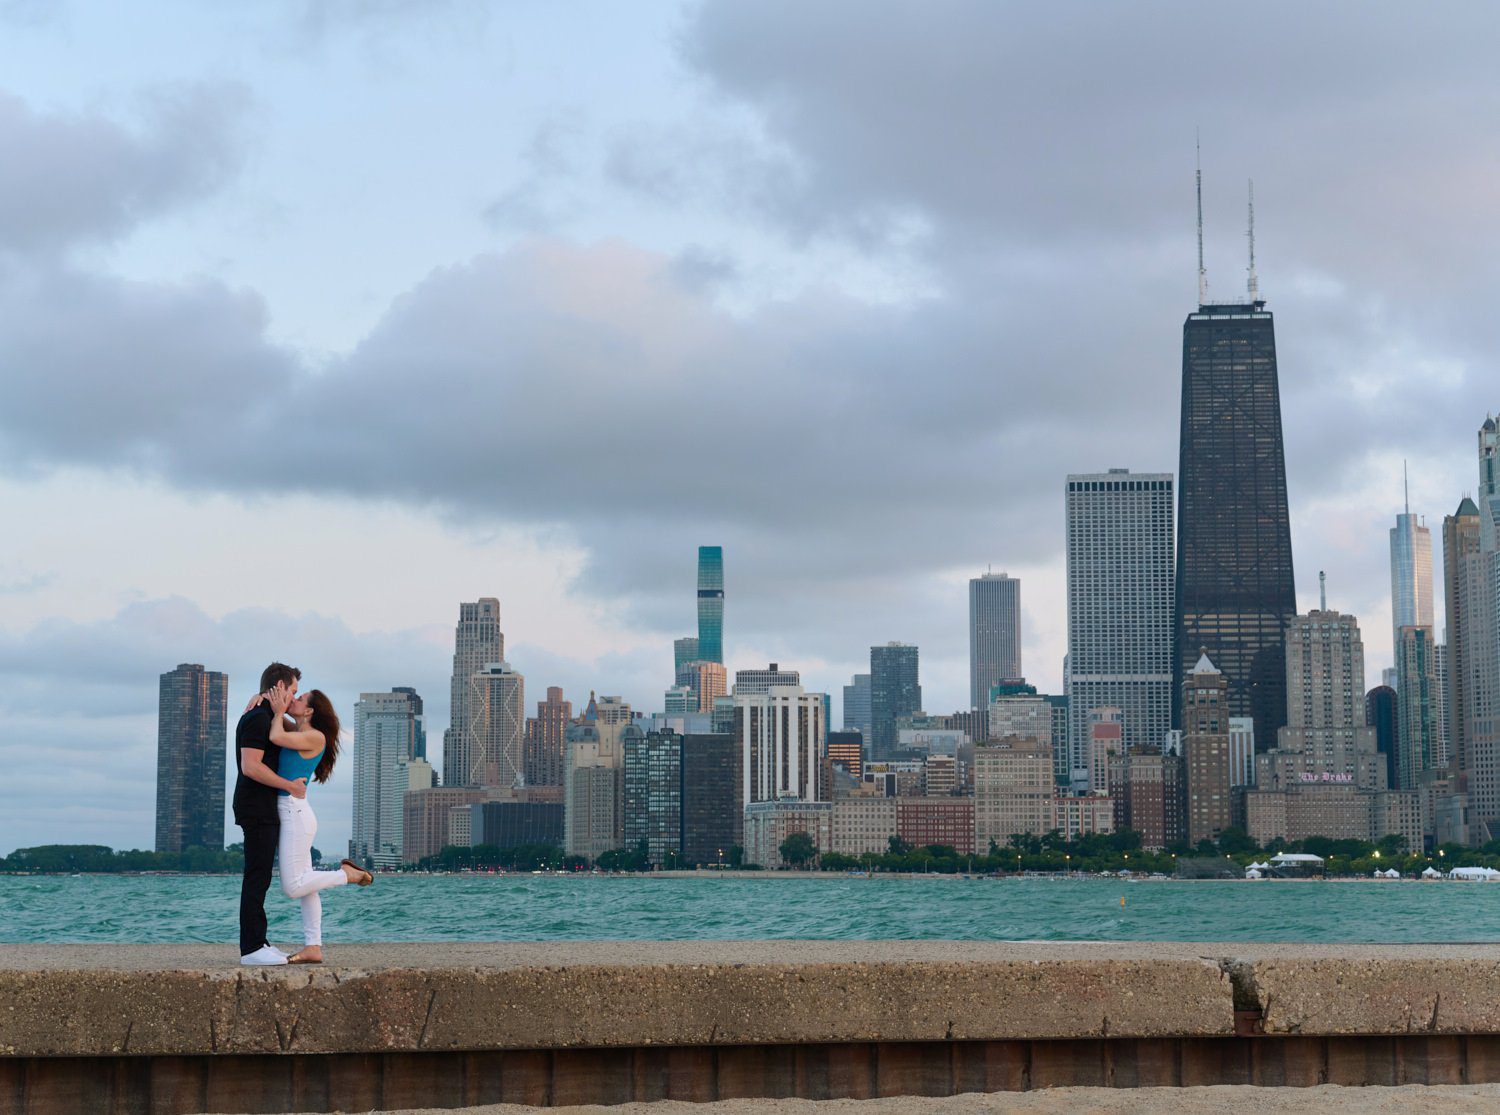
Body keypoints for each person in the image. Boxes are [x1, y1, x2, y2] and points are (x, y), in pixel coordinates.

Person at [263, 685, 372, 964]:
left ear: (309, 710)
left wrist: (277, 712)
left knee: (293, 886)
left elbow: (276, 735)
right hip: (294, 811)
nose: (293, 700)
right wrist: (265, 702)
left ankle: (347, 875)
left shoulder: (315, 736)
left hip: (294, 813)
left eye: (299, 698)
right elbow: (279, 722)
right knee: (306, 885)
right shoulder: (300, 731)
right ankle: (314, 946)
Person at [232, 662, 308, 965]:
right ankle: (251, 948)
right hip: (256, 806)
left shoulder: (267, 716)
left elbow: (299, 732)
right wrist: (288, 785)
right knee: (256, 876)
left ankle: (259, 941)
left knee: (260, 876)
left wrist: (277, 707)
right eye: (292, 691)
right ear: (278, 687)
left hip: (263, 807)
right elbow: (250, 766)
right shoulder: (257, 718)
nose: (293, 698)